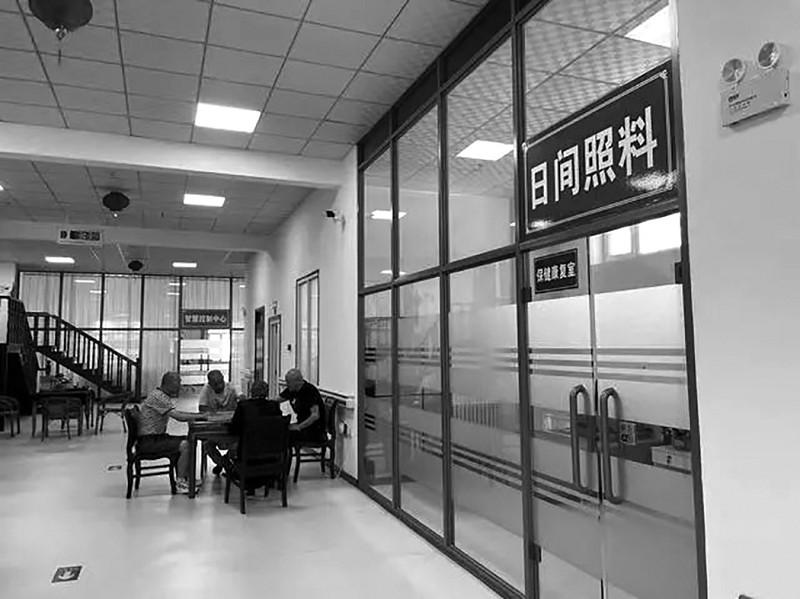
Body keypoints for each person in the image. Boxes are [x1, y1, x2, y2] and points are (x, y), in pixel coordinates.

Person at [137, 372, 204, 494]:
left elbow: (178, 413)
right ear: (169, 383)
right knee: (186, 445)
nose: (180, 386)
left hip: (155, 437)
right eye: (178, 382)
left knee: (190, 440)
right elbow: (178, 416)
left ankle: (187, 477)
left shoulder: (160, 395)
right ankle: (180, 483)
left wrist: (197, 416)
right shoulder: (159, 397)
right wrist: (201, 416)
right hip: (149, 441)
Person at [228, 380, 283, 496]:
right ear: (267, 392)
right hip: (271, 458)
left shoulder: (243, 406)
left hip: (248, 458)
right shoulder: (274, 406)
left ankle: (238, 476)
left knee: (232, 450)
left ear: (251, 392)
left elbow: (233, 430)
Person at [198, 370, 242, 475]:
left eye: (221, 382)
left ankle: (223, 462)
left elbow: (241, 398)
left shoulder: (231, 387)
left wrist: (240, 399)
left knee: (240, 443)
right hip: (214, 427)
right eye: (216, 384)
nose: (220, 386)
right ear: (210, 384)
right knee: (207, 445)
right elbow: (202, 408)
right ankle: (226, 465)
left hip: (230, 428)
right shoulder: (206, 390)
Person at [274, 369, 326, 445]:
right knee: (279, 430)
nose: (286, 384)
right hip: (301, 425)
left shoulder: (310, 391)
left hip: (314, 430)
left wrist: (299, 427)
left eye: (288, 382)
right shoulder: (292, 390)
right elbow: (276, 400)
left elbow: (315, 415)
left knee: (283, 435)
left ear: (297, 382)